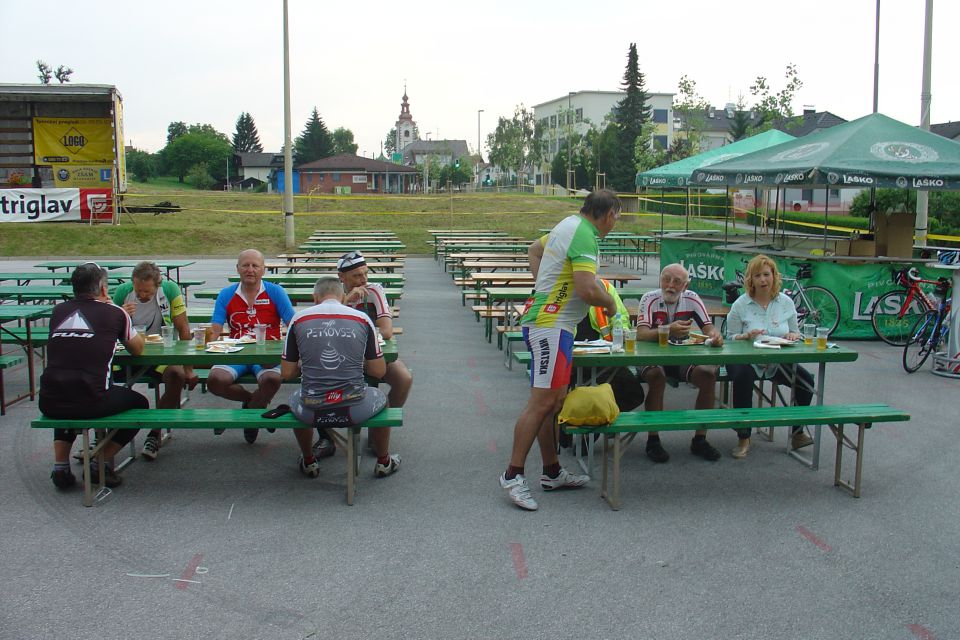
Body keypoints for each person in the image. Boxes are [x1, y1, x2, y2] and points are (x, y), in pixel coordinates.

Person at [500, 189, 621, 511]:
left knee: (553, 402)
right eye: (616, 219)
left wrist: (544, 288)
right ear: (609, 214)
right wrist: (610, 304)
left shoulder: (566, 224)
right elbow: (586, 287)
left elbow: (533, 250)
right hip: (550, 328)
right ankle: (512, 474)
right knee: (541, 404)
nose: (614, 225)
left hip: (554, 325)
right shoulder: (587, 235)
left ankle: (552, 471)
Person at [40, 262, 149, 489]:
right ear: (102, 288)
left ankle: (60, 466)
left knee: (66, 391)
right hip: (92, 398)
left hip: (49, 399)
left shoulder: (58, 311)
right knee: (140, 405)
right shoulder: (115, 313)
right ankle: (100, 462)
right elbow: (137, 349)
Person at [281, 277, 398, 478]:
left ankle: (309, 460)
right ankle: (383, 461)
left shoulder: (298, 319)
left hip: (312, 409)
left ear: (314, 298)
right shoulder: (362, 319)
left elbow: (287, 373)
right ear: (343, 296)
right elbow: (378, 371)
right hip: (354, 408)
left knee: (294, 400)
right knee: (383, 399)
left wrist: (306, 364)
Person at [724, 254, 816, 459]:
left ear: (774, 276)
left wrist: (793, 335)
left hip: (776, 358)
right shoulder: (740, 304)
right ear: (750, 279)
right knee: (742, 378)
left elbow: (795, 333)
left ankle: (797, 432)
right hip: (744, 358)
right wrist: (746, 336)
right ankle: (743, 437)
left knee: (807, 382)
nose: (763, 280)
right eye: (758, 276)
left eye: (767, 274)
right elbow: (729, 339)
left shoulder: (785, 302)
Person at [635, 263, 725, 462]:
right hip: (652, 357)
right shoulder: (649, 299)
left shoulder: (692, 298)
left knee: (708, 376)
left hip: (682, 355)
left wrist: (715, 336)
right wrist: (668, 329)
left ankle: (700, 439)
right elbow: (641, 334)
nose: (670, 285)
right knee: (656, 377)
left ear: (685, 285)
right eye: (666, 279)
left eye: (677, 282)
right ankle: (653, 439)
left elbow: (708, 327)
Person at [111, 261, 197, 460]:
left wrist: (189, 368)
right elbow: (109, 328)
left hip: (161, 350)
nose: (142, 295)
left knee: (176, 375)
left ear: (157, 285)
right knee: (104, 378)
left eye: (147, 292)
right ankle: (104, 436)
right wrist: (121, 314)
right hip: (130, 351)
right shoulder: (123, 292)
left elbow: (183, 328)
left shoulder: (169, 289)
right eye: (138, 290)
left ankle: (155, 432)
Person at [207, 249, 295, 443]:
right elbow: (215, 327)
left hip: (267, 352)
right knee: (214, 381)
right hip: (236, 351)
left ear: (263, 269)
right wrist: (207, 350)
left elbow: (293, 324)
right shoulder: (227, 293)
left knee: (272, 379)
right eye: (245, 265)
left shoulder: (275, 291)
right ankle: (252, 404)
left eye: (255, 266)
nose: (250, 270)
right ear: (238, 268)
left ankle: (249, 419)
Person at [336, 250, 412, 458]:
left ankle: (378, 430)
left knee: (403, 378)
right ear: (341, 277)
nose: (363, 280)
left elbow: (386, 331)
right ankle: (327, 437)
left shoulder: (374, 291)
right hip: (341, 357)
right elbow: (323, 325)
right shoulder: (333, 294)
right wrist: (345, 303)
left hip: (372, 353)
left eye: (365, 274)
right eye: (357, 276)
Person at [571, 278, 645, 420]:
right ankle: (569, 435)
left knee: (632, 392)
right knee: (556, 399)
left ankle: (595, 422)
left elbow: (620, 315)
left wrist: (622, 329)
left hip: (603, 357)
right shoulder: (562, 288)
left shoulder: (605, 287)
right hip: (570, 358)